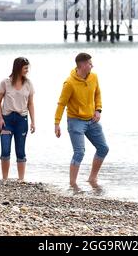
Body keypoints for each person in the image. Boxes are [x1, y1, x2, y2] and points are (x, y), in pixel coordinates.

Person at [54, 52, 109, 189]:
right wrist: (57, 123)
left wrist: (98, 109)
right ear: (83, 65)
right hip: (75, 121)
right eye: (90, 63)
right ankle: (73, 183)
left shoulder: (94, 77)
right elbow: (61, 104)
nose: (92, 65)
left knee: (103, 148)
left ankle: (92, 178)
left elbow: (98, 94)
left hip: (92, 119)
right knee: (79, 152)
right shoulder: (69, 83)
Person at [0, 57, 35, 181]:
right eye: (25, 68)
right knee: (5, 150)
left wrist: (33, 121)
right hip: (7, 120)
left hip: (21, 120)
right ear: (18, 68)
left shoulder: (28, 84)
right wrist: (0, 118)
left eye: (27, 68)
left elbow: (30, 104)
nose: (27, 70)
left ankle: (21, 179)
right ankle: (5, 179)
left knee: (20, 150)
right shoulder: (5, 83)